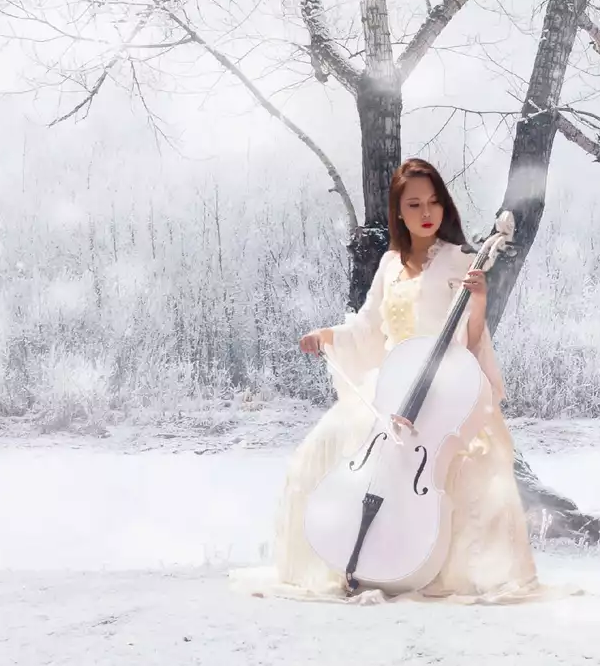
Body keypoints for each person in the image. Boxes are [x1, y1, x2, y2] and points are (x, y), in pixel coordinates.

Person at [232, 158, 542, 603]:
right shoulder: (389, 263)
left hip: (441, 393)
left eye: (434, 201)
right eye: (414, 204)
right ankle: (348, 558)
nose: (426, 212)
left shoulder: (461, 259)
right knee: (321, 451)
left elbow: (472, 341)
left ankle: (434, 568)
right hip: (393, 389)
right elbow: (368, 327)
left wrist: (478, 301)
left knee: (467, 472)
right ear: (399, 211)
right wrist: (329, 336)